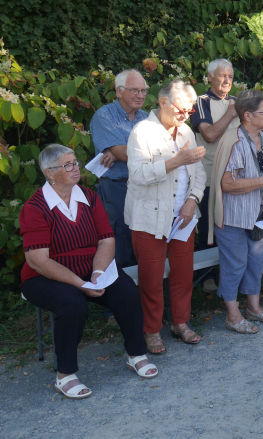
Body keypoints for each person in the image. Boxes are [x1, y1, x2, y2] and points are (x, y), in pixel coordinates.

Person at [20, 144, 158, 400]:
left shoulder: (88, 197)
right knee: (72, 304)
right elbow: (38, 260)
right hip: (44, 276)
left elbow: (107, 239)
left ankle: (137, 354)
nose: (76, 169)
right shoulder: (35, 207)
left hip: (90, 269)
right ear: (49, 173)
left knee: (126, 290)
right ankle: (66, 375)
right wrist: (79, 283)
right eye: (68, 165)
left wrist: (96, 273)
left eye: (75, 163)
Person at [126, 80, 206, 354]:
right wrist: (177, 161)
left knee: (183, 274)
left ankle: (180, 323)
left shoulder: (185, 131)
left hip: (183, 217)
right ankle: (151, 330)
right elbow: (138, 175)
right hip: (149, 218)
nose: (185, 116)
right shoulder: (142, 132)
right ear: (162, 102)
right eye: (181, 109)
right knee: (151, 277)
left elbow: (200, 174)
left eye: (190, 111)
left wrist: (192, 201)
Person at [211, 90, 263, 333]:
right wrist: (262, 182)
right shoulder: (233, 141)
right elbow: (227, 184)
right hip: (233, 216)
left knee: (256, 261)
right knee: (235, 264)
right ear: (247, 116)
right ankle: (233, 315)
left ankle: (254, 307)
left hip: (258, 215)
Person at [89, 69, 149, 268]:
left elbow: (163, 151)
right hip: (116, 189)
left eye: (143, 91)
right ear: (119, 91)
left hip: (145, 186)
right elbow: (127, 153)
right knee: (119, 242)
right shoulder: (104, 116)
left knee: (143, 239)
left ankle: (143, 292)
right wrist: (119, 152)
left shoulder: (147, 118)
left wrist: (118, 151)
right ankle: (119, 290)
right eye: (135, 90)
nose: (140, 95)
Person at [191, 59, 240, 292]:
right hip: (210, 175)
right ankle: (206, 276)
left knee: (233, 225)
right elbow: (209, 134)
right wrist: (231, 114)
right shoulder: (200, 102)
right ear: (209, 77)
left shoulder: (238, 102)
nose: (227, 80)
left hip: (237, 176)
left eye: (230, 76)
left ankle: (230, 275)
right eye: (222, 76)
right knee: (209, 226)